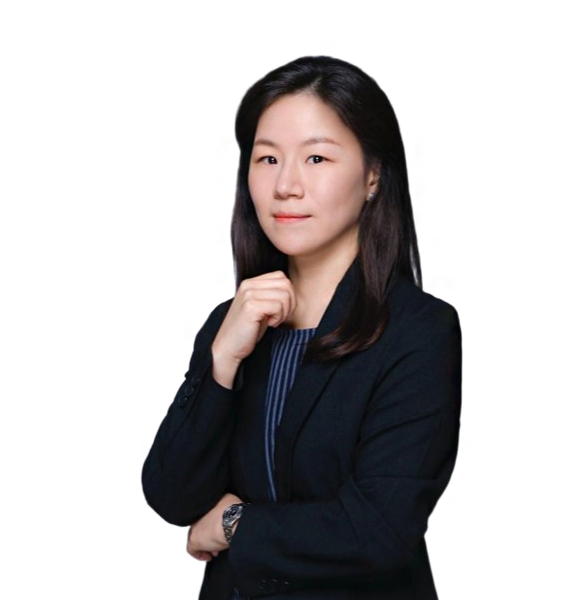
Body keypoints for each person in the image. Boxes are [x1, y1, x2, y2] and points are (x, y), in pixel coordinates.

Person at [141, 55, 463, 600]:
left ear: (373, 175)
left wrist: (235, 524)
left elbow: (376, 530)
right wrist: (222, 363)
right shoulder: (233, 320)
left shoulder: (420, 332)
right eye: (268, 158)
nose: (286, 185)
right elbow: (172, 497)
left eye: (316, 157)